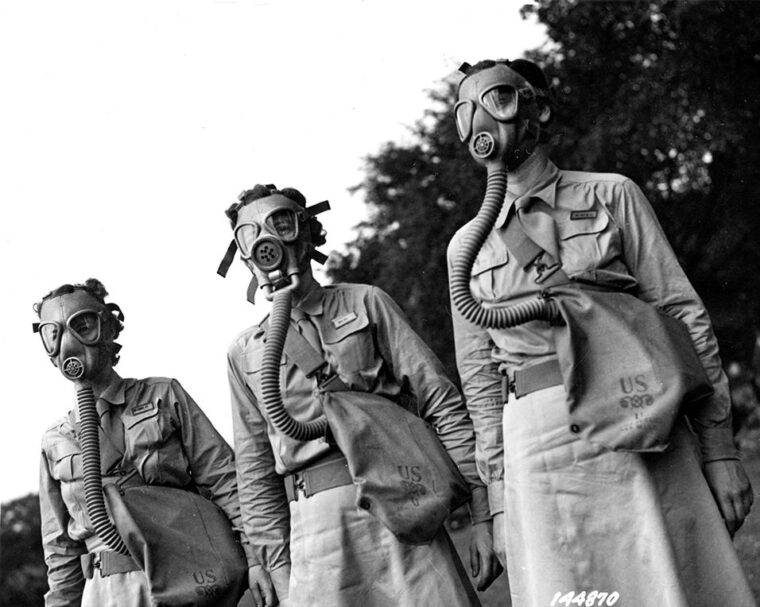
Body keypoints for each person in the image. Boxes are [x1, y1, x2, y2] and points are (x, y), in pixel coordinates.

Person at [447, 58, 756, 606]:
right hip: (537, 449)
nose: (479, 124)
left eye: (496, 101)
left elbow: (683, 314)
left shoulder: (611, 195)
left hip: (636, 418)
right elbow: (478, 382)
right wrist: (496, 501)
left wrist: (719, 449)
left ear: (537, 108)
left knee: (667, 582)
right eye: (465, 112)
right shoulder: (466, 247)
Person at [219, 184, 500, 607]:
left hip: (403, 502)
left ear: (309, 234)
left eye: (281, 223)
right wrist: (277, 566)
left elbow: (438, 399)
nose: (268, 241)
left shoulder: (366, 302)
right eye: (250, 234)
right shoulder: (245, 352)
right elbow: (254, 467)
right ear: (244, 256)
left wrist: (481, 512)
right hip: (318, 532)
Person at [35, 278, 263, 606]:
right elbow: (60, 551)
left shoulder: (163, 395)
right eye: (53, 334)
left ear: (109, 329)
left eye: (82, 325)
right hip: (107, 593)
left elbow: (226, 480)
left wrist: (256, 560)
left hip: (189, 579)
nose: (68, 343)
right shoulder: (55, 440)